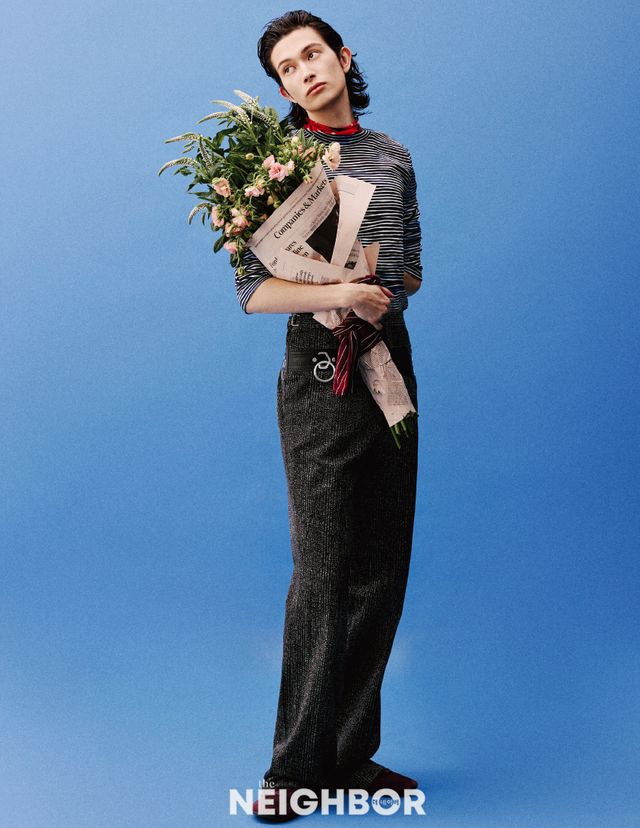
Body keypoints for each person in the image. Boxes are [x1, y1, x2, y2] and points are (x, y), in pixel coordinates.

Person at [235, 10, 424, 821]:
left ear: (343, 58)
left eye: (313, 53)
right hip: (320, 370)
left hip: (389, 362)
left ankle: (349, 756)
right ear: (283, 88)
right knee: (322, 575)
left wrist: (378, 280)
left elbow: (411, 271)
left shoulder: (393, 156)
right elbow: (254, 291)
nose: (305, 70)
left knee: (381, 569)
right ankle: (291, 771)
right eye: (288, 67)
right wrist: (339, 290)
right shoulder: (274, 163)